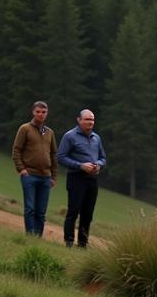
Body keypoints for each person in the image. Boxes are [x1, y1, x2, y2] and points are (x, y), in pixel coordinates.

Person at [57, 109, 106, 248]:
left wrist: (99, 165)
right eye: (87, 120)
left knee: (88, 213)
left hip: (92, 179)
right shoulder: (70, 136)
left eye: (92, 120)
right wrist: (80, 166)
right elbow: (60, 157)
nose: (90, 123)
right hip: (76, 178)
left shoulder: (96, 138)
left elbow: (103, 158)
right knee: (73, 211)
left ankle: (83, 243)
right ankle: (69, 241)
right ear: (79, 120)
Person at [11, 101, 57, 237]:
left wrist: (54, 176)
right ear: (33, 112)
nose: (41, 114)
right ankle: (30, 235)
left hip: (46, 177)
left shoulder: (49, 132)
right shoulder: (25, 129)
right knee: (30, 208)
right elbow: (16, 150)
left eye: (43, 112)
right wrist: (21, 169)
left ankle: (38, 237)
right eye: (38, 112)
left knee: (41, 211)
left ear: (47, 113)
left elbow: (54, 154)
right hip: (29, 174)